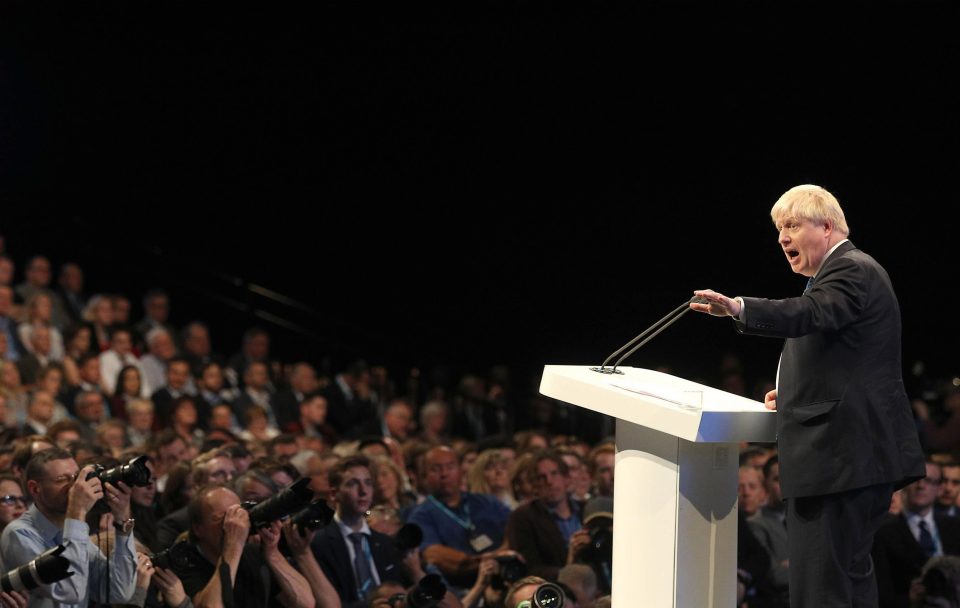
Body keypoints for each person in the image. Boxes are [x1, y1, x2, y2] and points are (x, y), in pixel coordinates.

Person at [690, 184, 925, 607]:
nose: (782, 237)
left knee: (821, 589)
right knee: (845, 582)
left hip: (839, 457)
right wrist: (796, 394)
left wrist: (741, 308)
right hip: (847, 456)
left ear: (828, 227)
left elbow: (812, 314)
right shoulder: (844, 274)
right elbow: (848, 357)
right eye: (780, 228)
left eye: (793, 225)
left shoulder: (851, 268)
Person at [0, 447, 138, 607]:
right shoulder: (19, 533)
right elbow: (70, 592)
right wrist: (77, 512)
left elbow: (119, 592)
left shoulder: (74, 532)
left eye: (76, 477)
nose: (75, 487)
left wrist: (122, 521)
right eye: (61, 480)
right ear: (35, 488)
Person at [309, 455, 409, 607]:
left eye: (368, 483)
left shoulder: (385, 543)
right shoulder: (319, 544)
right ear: (334, 494)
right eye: (353, 484)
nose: (363, 491)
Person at [872, 461, 960, 608]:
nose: (921, 486)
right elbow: (881, 594)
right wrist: (910, 599)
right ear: (904, 485)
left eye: (929, 481)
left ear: (939, 488)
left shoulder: (956, 527)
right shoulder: (882, 533)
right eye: (915, 479)